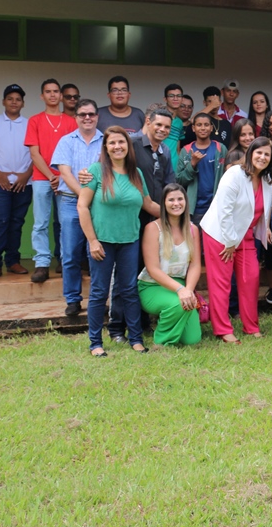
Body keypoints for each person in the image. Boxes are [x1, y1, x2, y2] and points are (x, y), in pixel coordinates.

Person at [77, 126, 155, 357]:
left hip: (129, 241)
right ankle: (95, 343)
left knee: (129, 289)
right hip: (102, 242)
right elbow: (82, 206)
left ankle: (136, 339)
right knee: (100, 292)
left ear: (128, 146)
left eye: (121, 142)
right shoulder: (96, 171)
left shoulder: (136, 174)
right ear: (106, 148)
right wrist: (92, 240)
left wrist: (177, 215)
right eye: (112, 143)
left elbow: (148, 205)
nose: (117, 146)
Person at [201, 138, 272, 342]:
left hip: (245, 236)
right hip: (220, 236)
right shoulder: (234, 174)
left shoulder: (267, 180)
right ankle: (223, 330)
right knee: (222, 283)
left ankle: (251, 327)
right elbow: (224, 211)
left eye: (267, 154)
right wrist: (230, 243)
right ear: (250, 153)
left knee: (251, 279)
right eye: (259, 153)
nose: (263, 157)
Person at [108, 106, 173, 341]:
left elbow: (169, 185)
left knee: (149, 272)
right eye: (159, 125)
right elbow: (110, 169)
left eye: (167, 127)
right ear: (148, 121)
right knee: (127, 275)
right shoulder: (132, 145)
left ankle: (143, 322)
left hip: (156, 223)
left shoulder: (164, 151)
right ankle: (117, 327)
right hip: (132, 221)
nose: (163, 130)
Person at [51, 98, 104, 317]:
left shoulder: (107, 140)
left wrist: (91, 196)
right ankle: (73, 300)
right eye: (82, 114)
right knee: (70, 252)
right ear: (76, 117)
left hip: (100, 202)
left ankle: (98, 299)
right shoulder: (66, 141)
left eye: (91, 114)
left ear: (97, 116)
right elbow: (65, 172)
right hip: (70, 201)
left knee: (97, 252)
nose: (87, 118)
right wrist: (84, 195)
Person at [25, 79, 78, 283]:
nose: (53, 95)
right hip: (41, 178)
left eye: (56, 91)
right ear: (42, 96)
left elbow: (74, 152)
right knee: (40, 223)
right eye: (48, 91)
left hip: (66, 179)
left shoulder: (71, 121)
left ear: (61, 96)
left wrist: (61, 176)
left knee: (66, 222)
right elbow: (34, 153)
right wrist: (51, 176)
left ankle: (66, 262)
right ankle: (42, 263)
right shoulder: (35, 120)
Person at [0, 83, 33, 280]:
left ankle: (13, 261)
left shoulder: (30, 124)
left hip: (24, 182)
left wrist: (27, 175)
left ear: (23, 103)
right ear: (3, 101)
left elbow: (38, 154)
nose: (14, 102)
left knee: (16, 222)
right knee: (0, 221)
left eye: (18, 99)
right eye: (10, 98)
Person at [138, 184, 203, 346]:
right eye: (171, 200)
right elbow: (152, 269)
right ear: (164, 203)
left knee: (192, 339)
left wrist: (188, 289)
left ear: (186, 202)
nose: (176, 203)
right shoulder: (153, 228)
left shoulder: (193, 229)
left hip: (181, 285)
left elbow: (195, 265)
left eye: (180, 199)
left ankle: (171, 317)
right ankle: (162, 341)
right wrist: (180, 291)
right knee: (177, 304)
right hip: (152, 286)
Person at [176, 112, 228, 224]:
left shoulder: (220, 149)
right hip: (195, 209)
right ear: (193, 128)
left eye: (206, 125)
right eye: (199, 125)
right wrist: (192, 164)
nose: (203, 128)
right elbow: (179, 180)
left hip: (217, 207)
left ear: (211, 128)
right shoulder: (186, 151)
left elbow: (228, 176)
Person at [162, 84, 185, 169]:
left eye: (178, 96)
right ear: (165, 99)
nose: (175, 99)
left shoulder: (179, 122)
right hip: (159, 164)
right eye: (171, 96)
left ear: (182, 99)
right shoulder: (159, 118)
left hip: (174, 166)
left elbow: (177, 148)